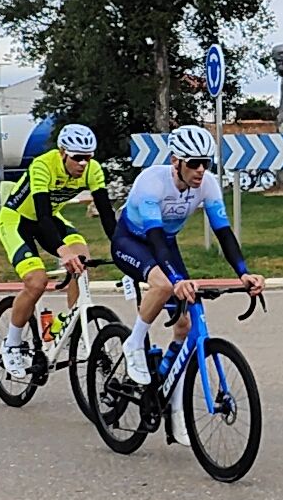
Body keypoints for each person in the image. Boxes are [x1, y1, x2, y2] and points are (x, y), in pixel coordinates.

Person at [109, 124, 264, 445]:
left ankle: (176, 408)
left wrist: (244, 272)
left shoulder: (207, 185)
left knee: (186, 325)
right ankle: (133, 342)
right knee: (165, 285)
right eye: (193, 163)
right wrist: (178, 280)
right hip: (132, 241)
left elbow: (224, 233)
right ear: (176, 161)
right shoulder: (152, 182)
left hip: (165, 243)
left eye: (206, 162)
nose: (201, 170)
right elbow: (153, 237)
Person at [0, 124, 111, 379]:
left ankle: (68, 326)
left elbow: (108, 216)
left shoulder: (93, 170)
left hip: (52, 218)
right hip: (17, 220)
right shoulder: (42, 166)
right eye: (77, 157)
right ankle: (11, 344)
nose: (83, 163)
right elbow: (42, 216)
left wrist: (124, 250)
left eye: (88, 157)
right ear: (62, 153)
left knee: (83, 260)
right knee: (37, 281)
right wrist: (62, 251)